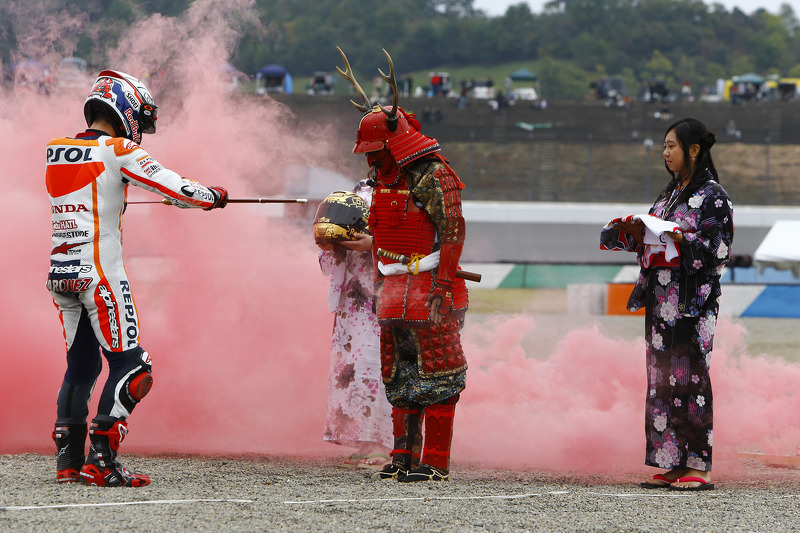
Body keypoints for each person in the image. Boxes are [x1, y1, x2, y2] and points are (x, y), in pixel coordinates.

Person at [47, 69, 228, 487]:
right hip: (100, 275)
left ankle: (69, 463)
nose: (141, 129)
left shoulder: (55, 150)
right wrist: (212, 197)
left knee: (81, 366)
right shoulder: (120, 149)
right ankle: (102, 461)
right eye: (140, 118)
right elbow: (177, 190)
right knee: (134, 366)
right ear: (125, 106)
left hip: (60, 274)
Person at [335, 47, 469, 482]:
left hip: (430, 285)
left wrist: (444, 286)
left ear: (396, 142)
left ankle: (436, 462)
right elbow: (384, 243)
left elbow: (452, 231)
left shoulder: (433, 174)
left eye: (376, 150)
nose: (370, 159)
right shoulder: (384, 180)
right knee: (400, 374)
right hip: (391, 290)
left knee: (439, 371)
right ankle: (403, 457)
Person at [600, 118, 734, 491]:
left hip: (693, 301)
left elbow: (717, 250)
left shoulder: (713, 197)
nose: (665, 152)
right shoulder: (668, 196)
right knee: (661, 379)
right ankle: (671, 460)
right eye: (663, 147)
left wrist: (676, 238)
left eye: (672, 146)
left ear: (694, 150)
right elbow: (653, 243)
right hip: (660, 303)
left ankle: (698, 464)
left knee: (691, 377)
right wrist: (636, 233)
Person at [315, 183, 393, 470]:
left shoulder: (405, 194)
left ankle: (385, 443)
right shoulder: (357, 192)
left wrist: (373, 243)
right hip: (352, 299)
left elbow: (414, 242)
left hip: (382, 294)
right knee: (351, 369)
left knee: (375, 366)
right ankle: (364, 439)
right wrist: (330, 241)